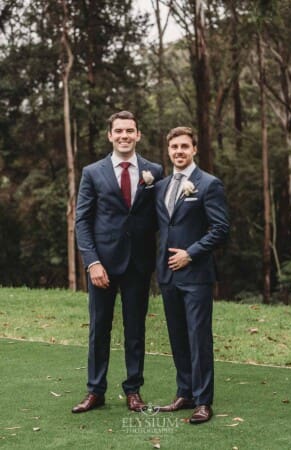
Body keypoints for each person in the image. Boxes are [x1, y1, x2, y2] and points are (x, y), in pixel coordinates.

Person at [72, 111, 163, 414]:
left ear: (138, 135)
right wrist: (92, 262)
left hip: (138, 264)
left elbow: (161, 219)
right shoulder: (92, 172)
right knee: (100, 328)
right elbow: (82, 221)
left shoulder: (155, 171)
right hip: (103, 266)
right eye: (119, 131)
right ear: (110, 135)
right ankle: (95, 390)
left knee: (135, 329)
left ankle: (133, 390)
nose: (124, 136)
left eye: (130, 131)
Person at [154, 126, 229, 424]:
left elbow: (221, 229)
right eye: (174, 147)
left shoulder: (209, 184)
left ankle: (203, 401)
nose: (179, 151)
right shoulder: (161, 186)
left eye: (185, 146)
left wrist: (191, 253)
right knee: (177, 336)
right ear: (169, 151)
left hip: (196, 274)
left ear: (194, 149)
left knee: (198, 338)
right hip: (167, 275)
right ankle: (184, 393)